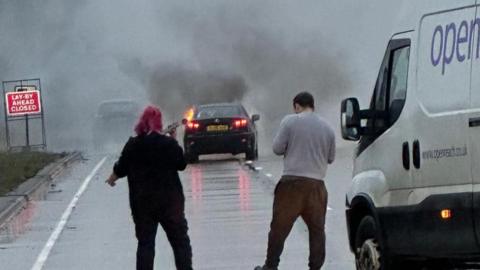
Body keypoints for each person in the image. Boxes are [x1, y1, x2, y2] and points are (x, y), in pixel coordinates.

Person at [255, 92, 336, 270]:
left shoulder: (290, 121)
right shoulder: (328, 128)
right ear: (312, 106)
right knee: (317, 230)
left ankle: (271, 265)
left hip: (292, 185)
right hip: (317, 186)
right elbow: (331, 158)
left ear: (297, 106)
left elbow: (277, 148)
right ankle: (315, 267)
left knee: (279, 228)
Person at [106, 105, 193, 270]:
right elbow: (181, 164)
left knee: (145, 244)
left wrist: (112, 177)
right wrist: (174, 140)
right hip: (170, 204)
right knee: (180, 243)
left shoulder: (132, 145)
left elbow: (121, 167)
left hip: (142, 204)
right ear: (159, 123)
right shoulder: (168, 144)